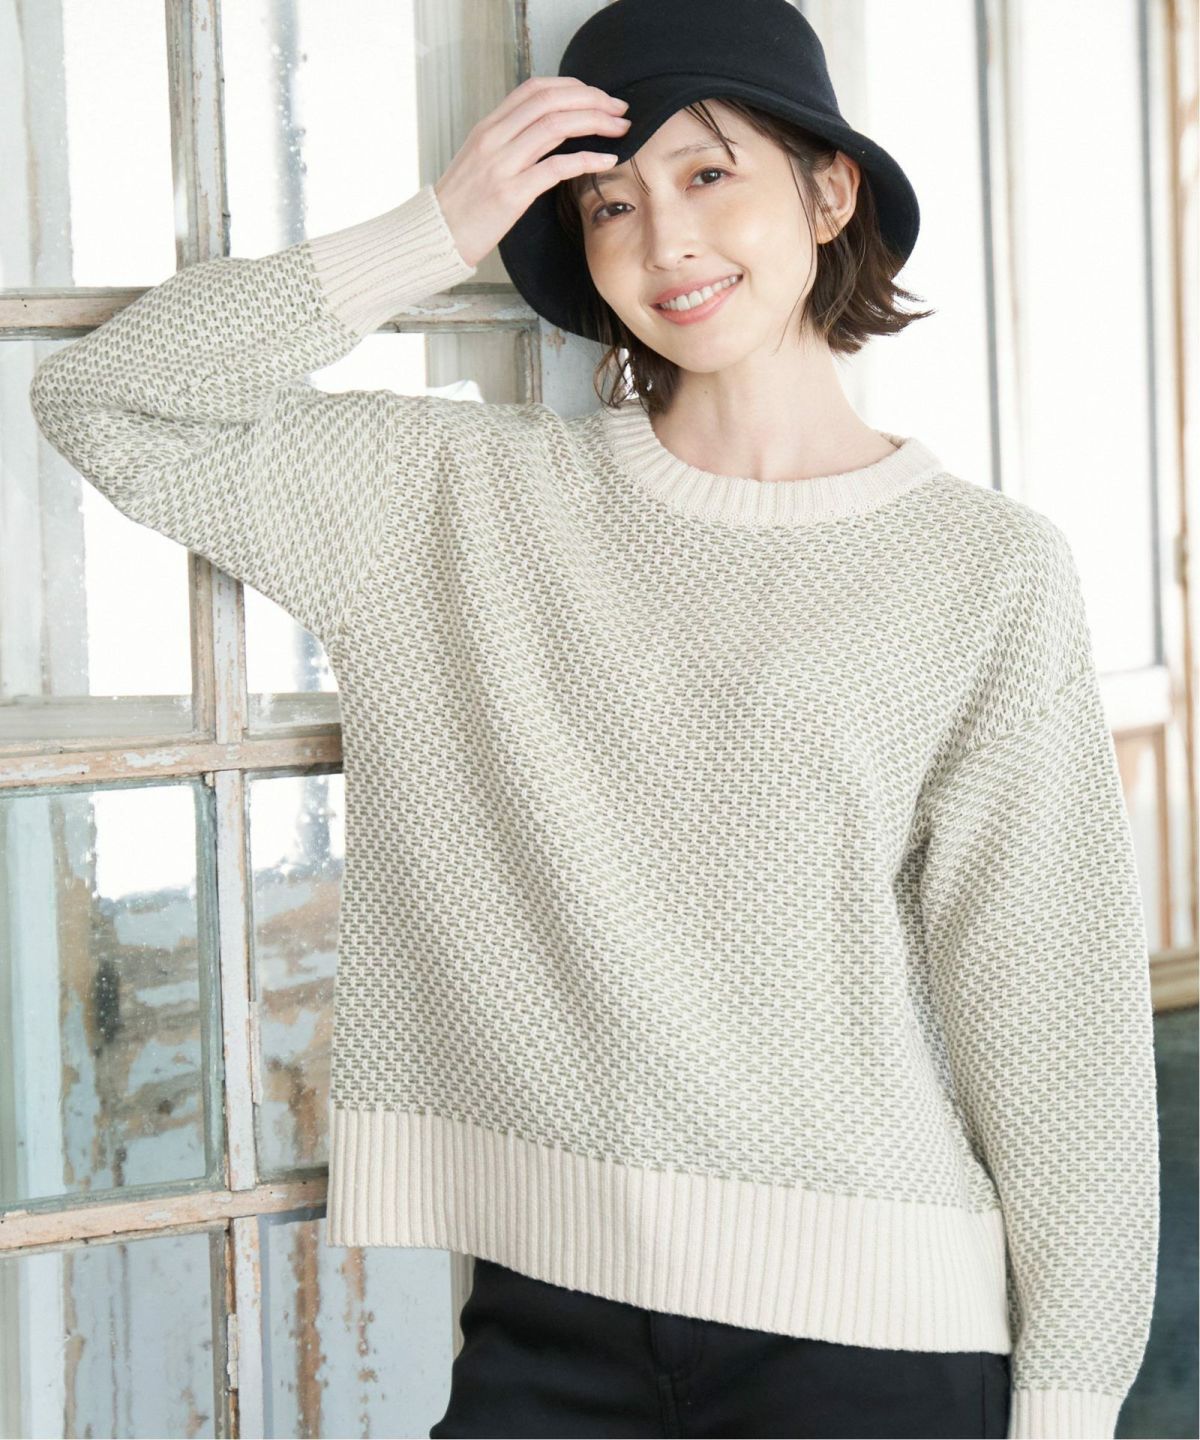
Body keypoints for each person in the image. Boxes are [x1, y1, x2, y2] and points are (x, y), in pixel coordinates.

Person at [28, 1, 1159, 1437]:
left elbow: (1055, 1027)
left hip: (875, 1337)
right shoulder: (462, 501)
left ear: (829, 192)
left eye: (708, 173)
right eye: (609, 203)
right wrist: (437, 230)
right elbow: (108, 398)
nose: (665, 240)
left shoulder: (983, 568)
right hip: (546, 1322)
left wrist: (1069, 1408)